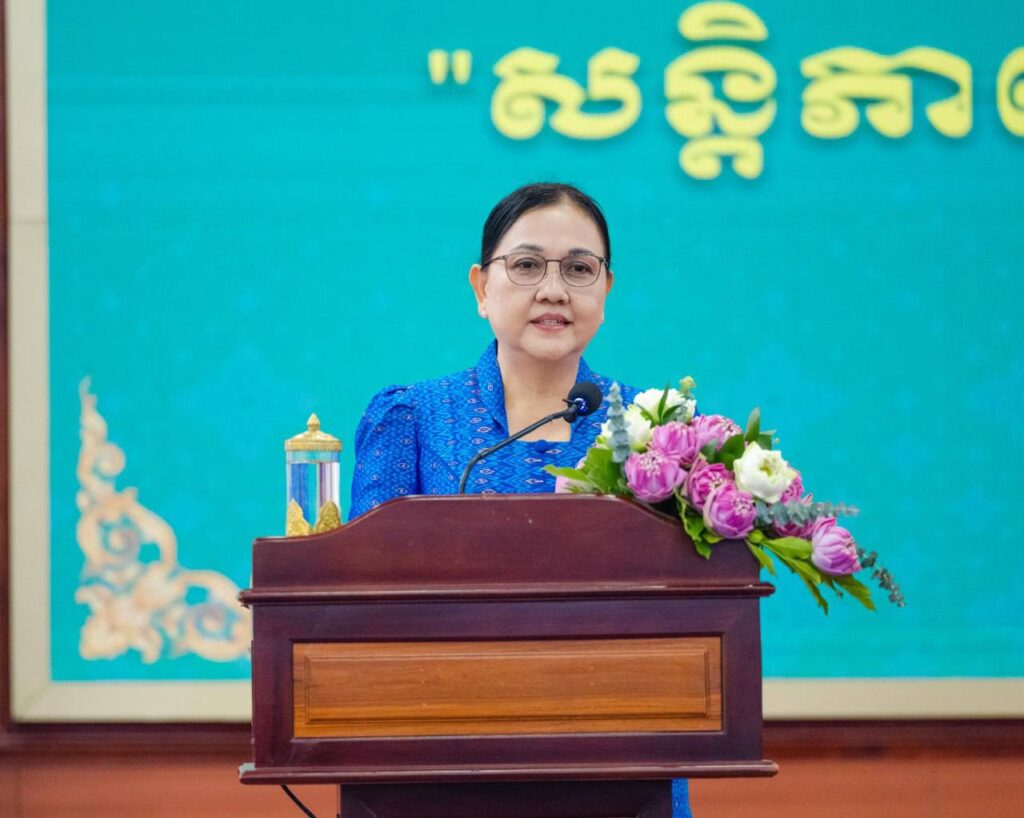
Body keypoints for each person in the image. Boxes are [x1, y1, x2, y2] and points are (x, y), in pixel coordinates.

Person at [348, 182, 693, 818]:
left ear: (606, 290)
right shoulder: (411, 418)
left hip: (619, 759)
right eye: (528, 264)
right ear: (481, 287)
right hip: (437, 759)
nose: (554, 290)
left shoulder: (657, 430)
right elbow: (362, 603)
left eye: (579, 269)